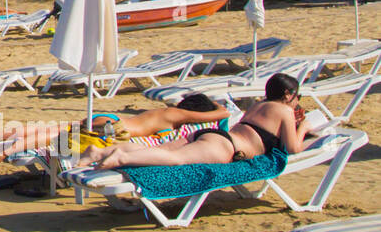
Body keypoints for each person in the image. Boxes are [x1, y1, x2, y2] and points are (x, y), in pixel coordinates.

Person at [86, 74, 311, 170]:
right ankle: (121, 157)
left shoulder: (257, 106)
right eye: (297, 96)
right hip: (227, 147)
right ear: (287, 95)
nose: (297, 101)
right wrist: (303, 127)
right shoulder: (284, 110)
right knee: (175, 160)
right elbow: (293, 148)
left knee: (162, 150)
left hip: (216, 136)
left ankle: (99, 152)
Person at [0, 93, 228, 175]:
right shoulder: (176, 115)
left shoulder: (164, 112)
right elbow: (222, 114)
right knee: (56, 137)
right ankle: (8, 148)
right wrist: (215, 105)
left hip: (108, 117)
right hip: (117, 129)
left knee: (54, 128)